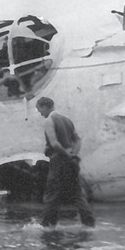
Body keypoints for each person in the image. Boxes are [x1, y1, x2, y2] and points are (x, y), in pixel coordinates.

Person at [35, 97, 95, 227]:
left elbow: (54, 143)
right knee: (77, 193)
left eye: (39, 110)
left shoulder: (49, 121)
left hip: (58, 160)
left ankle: (48, 225)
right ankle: (89, 224)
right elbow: (78, 139)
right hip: (72, 162)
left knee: (52, 194)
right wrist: (73, 153)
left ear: (45, 107)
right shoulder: (67, 120)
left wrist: (65, 154)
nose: (40, 113)